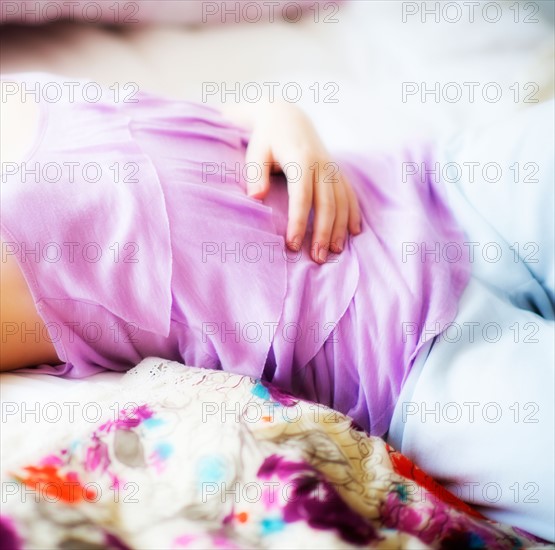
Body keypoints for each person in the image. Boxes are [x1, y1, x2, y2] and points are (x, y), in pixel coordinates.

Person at [0, 73, 553, 540]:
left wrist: (280, 117)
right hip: (419, 362)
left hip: (431, 185)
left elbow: (195, 125)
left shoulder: (19, 89)